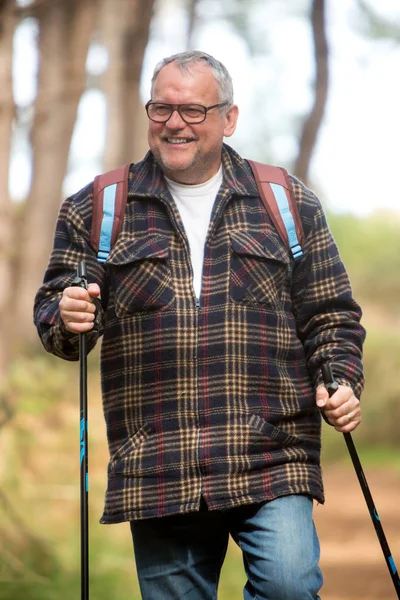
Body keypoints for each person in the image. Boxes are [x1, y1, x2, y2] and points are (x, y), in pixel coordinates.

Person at [34, 50, 366, 600]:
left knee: (289, 587)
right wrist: (67, 317)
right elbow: (56, 317)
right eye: (161, 108)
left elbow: (330, 312)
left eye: (192, 110)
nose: (174, 123)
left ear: (229, 118)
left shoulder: (284, 201)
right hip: (158, 462)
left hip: (270, 452)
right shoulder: (97, 207)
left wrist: (340, 378)